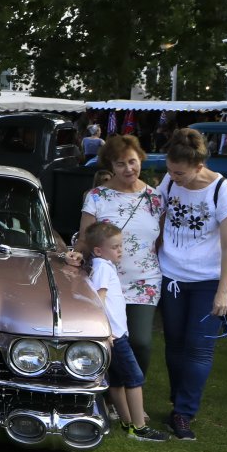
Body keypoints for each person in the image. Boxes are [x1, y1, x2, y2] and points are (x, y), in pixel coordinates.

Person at [155, 127, 227, 442]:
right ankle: (178, 399)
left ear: (199, 166)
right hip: (172, 276)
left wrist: (223, 291)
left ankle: (184, 412)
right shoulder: (169, 182)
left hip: (209, 281)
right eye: (170, 170)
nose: (173, 177)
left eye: (180, 173)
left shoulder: (223, 191)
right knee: (175, 343)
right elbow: (159, 217)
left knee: (199, 348)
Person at [77, 135, 163, 375]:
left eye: (132, 161)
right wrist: (75, 256)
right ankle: (111, 390)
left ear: (141, 160)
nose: (128, 168)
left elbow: (161, 240)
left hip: (144, 281)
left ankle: (135, 387)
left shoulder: (155, 198)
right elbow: (85, 239)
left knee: (140, 342)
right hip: (106, 280)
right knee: (108, 339)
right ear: (111, 166)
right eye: (120, 164)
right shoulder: (97, 196)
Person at [81, 223, 168, 441]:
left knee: (117, 381)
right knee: (135, 379)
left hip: (115, 335)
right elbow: (98, 301)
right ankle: (139, 427)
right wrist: (107, 331)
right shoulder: (102, 268)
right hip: (115, 337)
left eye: (121, 245)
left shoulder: (102, 265)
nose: (120, 250)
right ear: (98, 250)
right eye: (115, 247)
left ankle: (127, 422)